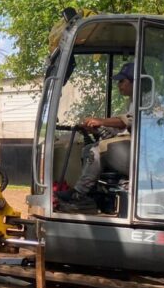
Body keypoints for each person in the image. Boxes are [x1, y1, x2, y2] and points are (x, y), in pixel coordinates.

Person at [56, 61, 135, 211]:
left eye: (122, 81)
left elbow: (127, 122)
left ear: (135, 82)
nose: (119, 85)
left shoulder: (144, 100)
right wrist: (97, 129)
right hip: (130, 147)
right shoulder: (131, 102)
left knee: (96, 150)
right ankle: (91, 194)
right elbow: (121, 131)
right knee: (88, 149)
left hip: (141, 151)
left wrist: (100, 121)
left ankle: (79, 194)